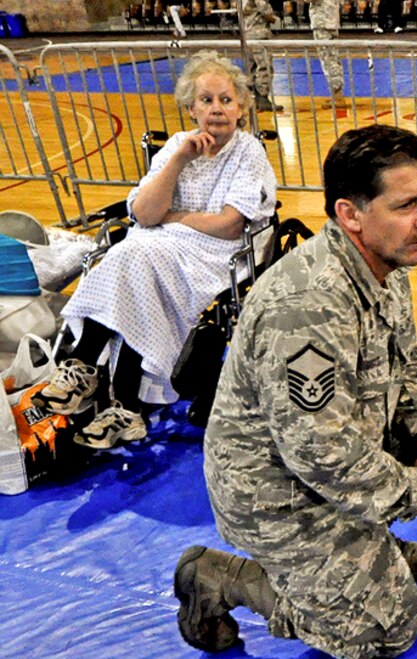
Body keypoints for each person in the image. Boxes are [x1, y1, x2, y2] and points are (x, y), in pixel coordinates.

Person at [173, 125, 417, 659]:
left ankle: (369, 545)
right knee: (380, 632)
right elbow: (318, 453)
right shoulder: (307, 306)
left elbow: (409, 366)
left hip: (335, 457)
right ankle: (223, 578)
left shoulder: (384, 263)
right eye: (407, 204)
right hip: (276, 493)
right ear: (351, 214)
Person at [34, 51, 276, 450]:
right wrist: (179, 160)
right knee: (134, 260)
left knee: (131, 257)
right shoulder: (178, 146)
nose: (217, 109)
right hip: (156, 251)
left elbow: (230, 223)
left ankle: (88, 367)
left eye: (226, 100)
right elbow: (145, 213)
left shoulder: (248, 151)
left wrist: (173, 219)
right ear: (190, 108)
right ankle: (124, 405)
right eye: (206, 100)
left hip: (212, 255)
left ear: (242, 106)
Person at [240, 0, 282, 112]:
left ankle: (252, 98)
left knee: (251, 66)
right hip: (259, 32)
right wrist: (273, 18)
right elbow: (264, 10)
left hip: (246, 31)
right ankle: (263, 97)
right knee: (264, 65)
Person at [301, 0, 344, 107]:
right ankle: (338, 94)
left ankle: (337, 95)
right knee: (334, 57)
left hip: (321, 20)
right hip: (333, 19)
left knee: (327, 58)